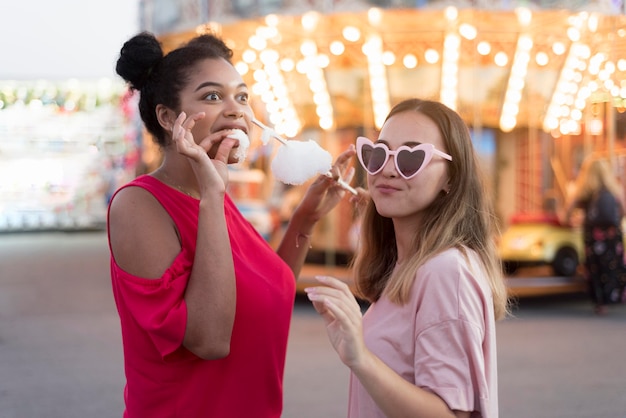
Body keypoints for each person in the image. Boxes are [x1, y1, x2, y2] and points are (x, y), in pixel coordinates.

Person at [108, 31, 355, 418]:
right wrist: (212, 196)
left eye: (241, 96)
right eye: (212, 96)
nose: (237, 109)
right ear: (168, 117)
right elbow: (209, 339)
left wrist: (305, 220)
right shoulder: (139, 205)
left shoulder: (215, 198)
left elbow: (267, 293)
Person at [305, 98, 509, 418]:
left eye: (410, 158)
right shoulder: (411, 266)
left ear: (451, 178)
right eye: (377, 154)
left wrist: (360, 356)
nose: (386, 169)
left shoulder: (446, 271)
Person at [564, 157, 626, 315]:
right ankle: (614, 296)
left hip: (593, 235)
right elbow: (624, 211)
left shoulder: (585, 191)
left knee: (596, 268)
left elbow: (567, 212)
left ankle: (600, 303)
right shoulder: (614, 190)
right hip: (612, 235)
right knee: (613, 266)